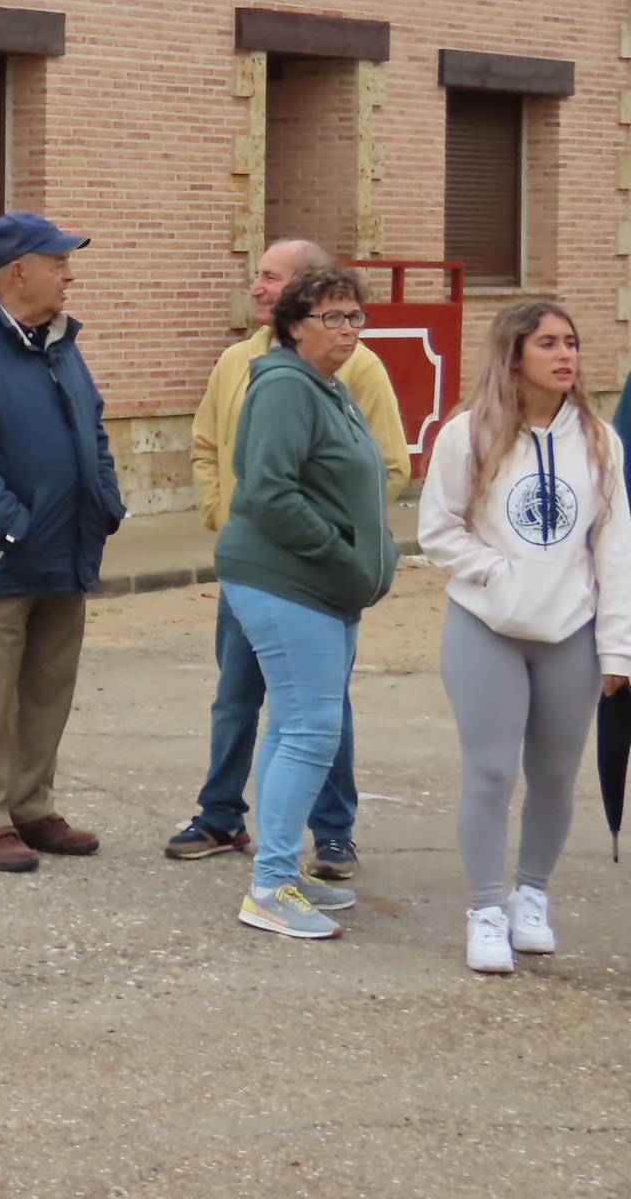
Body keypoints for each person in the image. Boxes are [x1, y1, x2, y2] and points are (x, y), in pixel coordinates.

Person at [169, 239, 409, 873]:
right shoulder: (242, 365)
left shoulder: (356, 368)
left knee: (314, 711)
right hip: (262, 568)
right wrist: (230, 519)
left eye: (270, 278)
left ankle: (331, 831)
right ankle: (223, 816)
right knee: (241, 697)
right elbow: (212, 449)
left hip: (314, 575)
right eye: (258, 275)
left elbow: (388, 466)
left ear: (304, 291)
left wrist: (353, 549)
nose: (256, 288)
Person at [419, 301, 631, 974]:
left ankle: (530, 897)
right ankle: (485, 909)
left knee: (556, 777)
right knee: (489, 771)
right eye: (548, 344)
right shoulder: (468, 434)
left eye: (571, 342)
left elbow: (616, 551)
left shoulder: (599, 441)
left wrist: (617, 647)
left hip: (570, 632)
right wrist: (498, 572)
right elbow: (439, 530)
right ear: (515, 357)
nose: (565, 355)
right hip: (487, 628)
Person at [0, 213, 123, 873]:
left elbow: (91, 425)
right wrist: (12, 522)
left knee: (47, 692)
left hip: (67, 548)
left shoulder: (61, 342)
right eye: (57, 262)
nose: (70, 273)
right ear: (18, 272)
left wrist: (105, 501)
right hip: (2, 552)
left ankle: (31, 806)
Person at [212, 263, 397, 940]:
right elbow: (269, 491)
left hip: (320, 588)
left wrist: (375, 557)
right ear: (294, 325)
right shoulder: (286, 388)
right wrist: (343, 559)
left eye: (355, 317)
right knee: (312, 729)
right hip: (288, 583)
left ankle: (281, 865)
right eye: (333, 317)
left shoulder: (328, 386)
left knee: (292, 726)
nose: (348, 330)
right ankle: (268, 890)